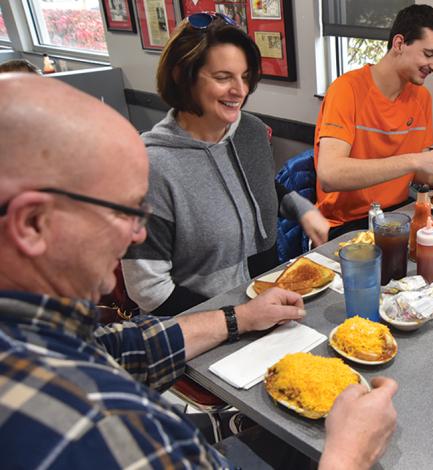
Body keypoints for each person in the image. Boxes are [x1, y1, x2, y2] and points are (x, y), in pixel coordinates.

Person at [0, 73, 397, 469]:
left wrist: (239, 316)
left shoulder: (37, 333)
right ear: (33, 224)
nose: (139, 232)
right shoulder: (98, 428)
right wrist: (349, 455)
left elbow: (117, 348)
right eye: (122, 211)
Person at [121, 13, 330, 315]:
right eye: (223, 77)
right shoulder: (150, 167)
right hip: (199, 327)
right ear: (182, 75)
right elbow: (149, 292)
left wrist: (302, 209)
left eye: (244, 77)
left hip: (266, 307)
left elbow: (256, 186)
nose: (240, 90)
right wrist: (238, 320)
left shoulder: (252, 131)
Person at [314, 4, 433, 238]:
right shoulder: (346, 90)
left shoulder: (421, 97)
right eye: (429, 54)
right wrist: (415, 160)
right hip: (347, 226)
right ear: (398, 44)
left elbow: (419, 173)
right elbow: (329, 175)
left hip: (400, 214)